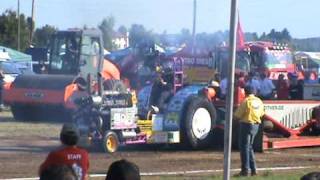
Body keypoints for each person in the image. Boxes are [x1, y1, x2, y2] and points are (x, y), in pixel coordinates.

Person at [234, 85, 265, 176]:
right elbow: (262, 113)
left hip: (246, 125)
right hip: (256, 125)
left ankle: (245, 170)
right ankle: (254, 170)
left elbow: (237, 115)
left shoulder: (246, 101)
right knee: (249, 147)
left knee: (244, 148)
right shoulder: (259, 101)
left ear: (245, 92)